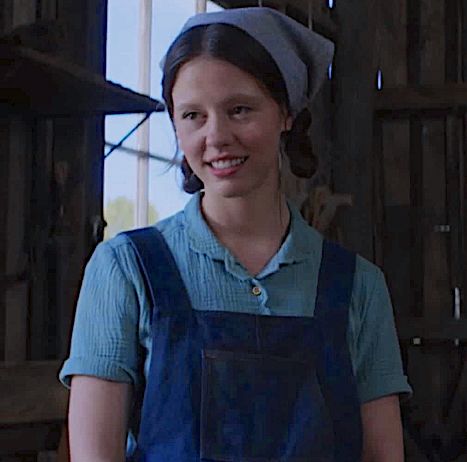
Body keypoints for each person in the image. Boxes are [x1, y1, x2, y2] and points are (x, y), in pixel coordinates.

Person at [60, 7, 412, 461]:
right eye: (192, 116)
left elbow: (383, 454)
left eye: (239, 109)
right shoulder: (125, 270)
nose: (216, 136)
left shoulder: (358, 287)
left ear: (286, 113)